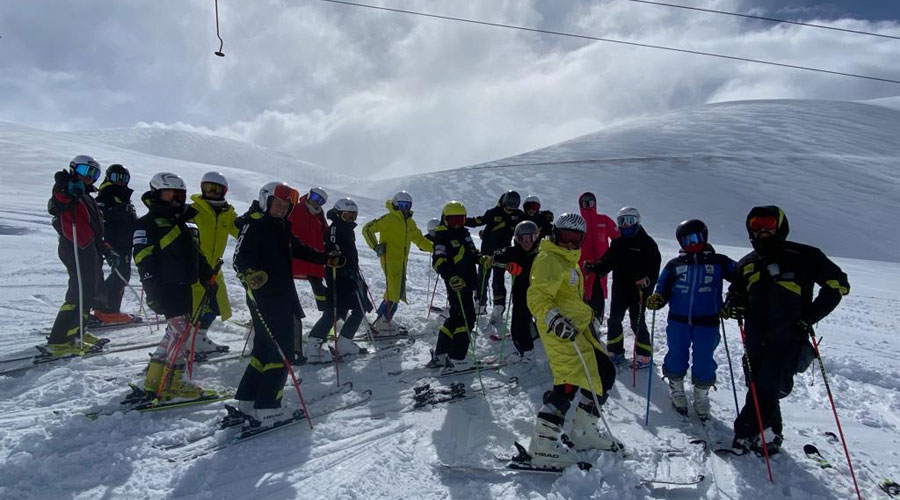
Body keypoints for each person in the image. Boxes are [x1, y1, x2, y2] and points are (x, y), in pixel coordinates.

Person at [722, 206, 849, 454]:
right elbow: (735, 292)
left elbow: (838, 284)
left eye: (768, 224)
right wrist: (734, 304)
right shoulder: (747, 263)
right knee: (757, 382)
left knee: (769, 382)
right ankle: (771, 434)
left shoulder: (804, 255)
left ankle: (745, 432)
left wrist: (810, 316)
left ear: (780, 225)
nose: (762, 231)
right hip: (755, 333)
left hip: (789, 332)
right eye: (756, 225)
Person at [522, 213, 617, 469]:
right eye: (566, 237)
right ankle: (543, 445)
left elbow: (569, 297)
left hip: (579, 330)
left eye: (577, 239)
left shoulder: (568, 260)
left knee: (602, 374)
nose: (571, 243)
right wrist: (554, 318)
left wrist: (588, 315)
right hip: (560, 332)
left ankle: (583, 432)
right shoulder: (548, 259)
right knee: (568, 384)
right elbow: (538, 296)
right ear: (556, 234)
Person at [233, 182, 329, 425]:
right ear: (266, 201)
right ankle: (268, 407)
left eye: (286, 206)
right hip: (265, 296)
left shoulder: (280, 227)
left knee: (265, 349)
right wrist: (250, 274)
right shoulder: (254, 224)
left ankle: (248, 400)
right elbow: (239, 258)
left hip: (281, 295)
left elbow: (299, 249)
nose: (281, 209)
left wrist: (326, 258)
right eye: (278, 204)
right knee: (282, 349)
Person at [133, 172, 218, 400]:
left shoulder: (183, 222)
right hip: (165, 287)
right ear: (157, 193)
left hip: (183, 286)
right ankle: (173, 382)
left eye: (179, 193)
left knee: (175, 332)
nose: (176, 198)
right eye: (170, 193)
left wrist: (207, 275)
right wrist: (152, 290)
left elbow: (196, 253)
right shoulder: (148, 223)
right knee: (182, 333)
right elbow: (143, 259)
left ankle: (154, 379)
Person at [646, 219, 736, 420]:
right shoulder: (675, 265)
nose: (692, 243)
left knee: (704, 358)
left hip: (708, 321)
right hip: (678, 320)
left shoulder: (718, 261)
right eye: (687, 240)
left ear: (705, 237)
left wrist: (732, 301)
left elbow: (742, 278)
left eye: (697, 238)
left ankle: (701, 395)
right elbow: (663, 288)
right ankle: (677, 389)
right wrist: (658, 298)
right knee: (676, 354)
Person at [44, 155, 108, 357]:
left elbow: (92, 225)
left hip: (87, 246)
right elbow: (55, 205)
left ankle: (77, 331)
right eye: (84, 171)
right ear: (73, 169)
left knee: (88, 290)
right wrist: (66, 191)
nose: (88, 177)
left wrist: (103, 245)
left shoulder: (86, 196)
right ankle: (60, 339)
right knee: (79, 292)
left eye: (93, 174)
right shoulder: (64, 185)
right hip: (74, 245)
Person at [587, 207, 660, 368]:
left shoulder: (647, 243)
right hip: (620, 289)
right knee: (614, 320)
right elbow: (607, 262)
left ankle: (644, 356)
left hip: (638, 291)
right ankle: (616, 352)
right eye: (622, 221)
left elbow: (654, 268)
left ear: (637, 222)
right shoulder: (618, 242)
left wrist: (647, 281)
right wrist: (594, 267)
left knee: (637, 322)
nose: (626, 225)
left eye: (629, 220)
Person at [306, 198, 372, 363]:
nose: (350, 219)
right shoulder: (336, 228)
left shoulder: (344, 228)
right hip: (339, 274)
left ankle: (342, 342)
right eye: (346, 216)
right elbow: (334, 249)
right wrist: (342, 262)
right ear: (337, 214)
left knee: (345, 308)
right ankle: (316, 345)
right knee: (340, 309)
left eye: (353, 216)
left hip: (346, 272)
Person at [361, 191, 433, 335]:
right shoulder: (389, 219)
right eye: (401, 205)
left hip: (401, 262)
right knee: (395, 291)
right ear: (395, 204)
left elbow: (420, 240)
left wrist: (436, 248)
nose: (404, 208)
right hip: (389, 259)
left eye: (407, 205)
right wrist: (376, 246)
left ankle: (383, 320)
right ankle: (384, 322)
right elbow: (367, 229)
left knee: (395, 291)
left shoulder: (410, 223)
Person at [186, 171, 239, 354]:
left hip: (215, 270)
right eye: (208, 188)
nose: (211, 192)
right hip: (194, 268)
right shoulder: (193, 210)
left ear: (224, 191)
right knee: (193, 309)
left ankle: (198, 338)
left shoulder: (228, 214)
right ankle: (184, 340)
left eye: (216, 189)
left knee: (216, 306)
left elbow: (241, 232)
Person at [427, 201, 479, 369]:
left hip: (469, 281)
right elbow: (438, 261)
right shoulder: (442, 237)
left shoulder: (464, 234)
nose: (457, 224)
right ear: (445, 219)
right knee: (467, 318)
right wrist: (451, 277)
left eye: (461, 220)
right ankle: (458, 358)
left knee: (456, 317)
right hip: (456, 284)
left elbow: (472, 253)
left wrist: (482, 259)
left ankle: (442, 354)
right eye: (453, 220)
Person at [466, 190, 525, 320]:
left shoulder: (519, 215)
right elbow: (478, 221)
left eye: (514, 204)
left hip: (503, 254)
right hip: (487, 253)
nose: (511, 206)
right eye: (509, 203)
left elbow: (529, 224)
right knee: (483, 278)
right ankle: (481, 304)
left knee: (498, 279)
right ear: (504, 201)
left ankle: (498, 306)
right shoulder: (493, 213)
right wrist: (460, 220)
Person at [92, 163, 138, 325]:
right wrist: (116, 213)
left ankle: (104, 308)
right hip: (111, 242)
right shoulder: (105, 196)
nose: (120, 182)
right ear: (108, 177)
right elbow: (99, 216)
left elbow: (130, 220)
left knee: (122, 274)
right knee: (121, 275)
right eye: (115, 178)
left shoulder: (124, 198)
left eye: (123, 178)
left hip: (124, 241)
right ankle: (108, 310)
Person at [489, 220, 541, 361]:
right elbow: (498, 255)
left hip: (540, 294)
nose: (526, 242)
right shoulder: (514, 251)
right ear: (516, 239)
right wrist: (508, 264)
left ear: (536, 237)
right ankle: (526, 347)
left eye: (530, 238)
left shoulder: (541, 254)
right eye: (522, 239)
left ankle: (528, 350)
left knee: (526, 322)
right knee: (519, 323)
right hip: (520, 294)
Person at [288, 187, 330, 360]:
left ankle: (325, 326)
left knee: (321, 293)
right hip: (296, 257)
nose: (316, 202)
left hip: (314, 260)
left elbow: (325, 233)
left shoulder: (320, 215)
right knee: (285, 294)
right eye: (314, 197)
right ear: (308, 194)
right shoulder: (296, 209)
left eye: (320, 201)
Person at [578, 192, 619, 321]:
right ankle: (582, 320)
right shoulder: (578, 222)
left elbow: (618, 238)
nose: (588, 205)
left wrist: (612, 256)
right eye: (585, 203)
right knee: (581, 292)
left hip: (601, 266)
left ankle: (597, 319)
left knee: (598, 293)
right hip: (582, 267)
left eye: (591, 202)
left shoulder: (603, 220)